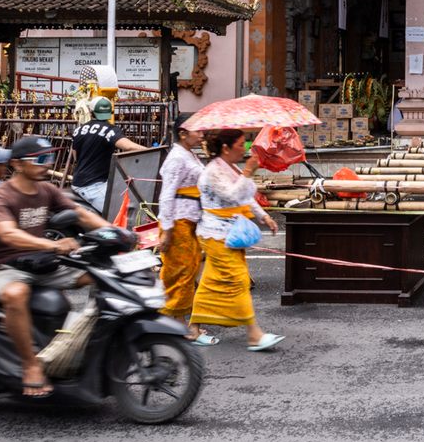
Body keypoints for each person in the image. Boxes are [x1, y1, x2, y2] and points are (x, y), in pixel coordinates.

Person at [0, 136, 109, 397]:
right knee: (15, 293)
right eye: (41, 159)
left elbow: (81, 214)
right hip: (1, 267)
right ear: (18, 165)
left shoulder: (48, 190)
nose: (47, 165)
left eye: (50, 159)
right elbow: (9, 234)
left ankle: (67, 344)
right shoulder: (0, 196)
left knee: (94, 280)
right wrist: (53, 246)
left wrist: (117, 232)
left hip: (39, 262)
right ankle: (31, 364)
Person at [189, 129, 284, 352]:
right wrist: (249, 172)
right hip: (216, 234)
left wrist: (264, 216)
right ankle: (253, 334)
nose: (245, 149)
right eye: (241, 144)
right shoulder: (213, 171)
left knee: (210, 282)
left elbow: (245, 197)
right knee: (238, 280)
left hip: (228, 232)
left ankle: (194, 327)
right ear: (226, 147)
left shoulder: (229, 167)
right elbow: (232, 195)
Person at [156, 114, 212, 345]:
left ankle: (179, 321)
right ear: (182, 133)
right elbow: (167, 194)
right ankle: (177, 324)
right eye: (197, 131)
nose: (201, 135)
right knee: (180, 273)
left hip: (191, 219)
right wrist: (166, 229)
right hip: (177, 221)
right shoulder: (176, 158)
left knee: (189, 271)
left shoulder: (191, 155)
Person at [70, 97, 146, 213]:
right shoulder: (110, 130)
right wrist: (155, 150)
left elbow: (75, 157)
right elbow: (129, 146)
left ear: (91, 112)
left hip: (81, 181)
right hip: (92, 186)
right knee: (121, 215)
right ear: (110, 112)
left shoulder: (78, 130)